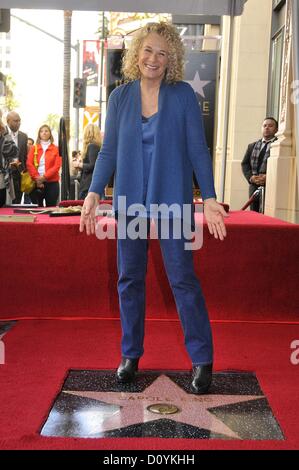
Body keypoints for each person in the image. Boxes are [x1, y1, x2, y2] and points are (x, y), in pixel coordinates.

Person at [79, 22, 228, 394]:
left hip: (172, 199)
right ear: (137, 54)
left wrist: (208, 197)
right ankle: (130, 354)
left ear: (172, 58)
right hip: (128, 200)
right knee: (129, 279)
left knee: (182, 279)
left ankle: (202, 358)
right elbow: (109, 150)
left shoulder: (182, 97)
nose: (154, 58)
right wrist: (94, 193)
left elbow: (197, 149)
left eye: (163, 53)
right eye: (148, 50)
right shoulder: (120, 97)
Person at [241, 117, 278, 212]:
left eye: (270, 126)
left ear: (276, 129)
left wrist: (268, 177)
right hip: (254, 186)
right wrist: (251, 177)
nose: (267, 128)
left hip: (270, 187)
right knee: (254, 215)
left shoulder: (278, 146)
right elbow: (245, 164)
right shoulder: (252, 146)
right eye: (264, 125)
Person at [26, 124, 61, 207]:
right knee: (37, 209)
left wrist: (44, 177)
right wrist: (37, 178)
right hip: (36, 183)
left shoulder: (56, 148)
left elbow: (57, 166)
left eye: (46, 131)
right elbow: (29, 164)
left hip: (52, 183)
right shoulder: (34, 148)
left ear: (50, 133)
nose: (44, 133)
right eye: (41, 131)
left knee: (51, 209)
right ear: (39, 134)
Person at [73, 124, 102, 199]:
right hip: (89, 183)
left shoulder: (92, 146)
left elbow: (92, 165)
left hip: (88, 184)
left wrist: (79, 164)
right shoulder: (96, 146)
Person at [5, 111, 28, 204]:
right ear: (8, 121)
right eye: (15, 121)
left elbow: (25, 156)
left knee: (17, 202)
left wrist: (25, 171)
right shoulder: (2, 134)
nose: (18, 123)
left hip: (19, 174)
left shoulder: (23, 136)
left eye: (19, 121)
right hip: (5, 174)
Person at [0, 118, 19, 207]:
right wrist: (6, 134)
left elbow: (15, 152)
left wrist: (5, 135)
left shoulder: (2, 140)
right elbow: (15, 151)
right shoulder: (3, 140)